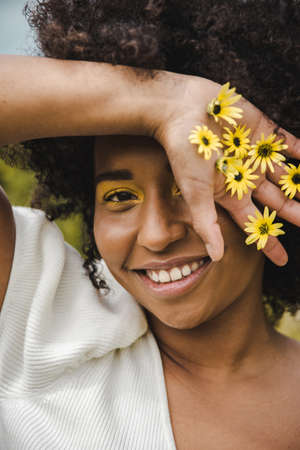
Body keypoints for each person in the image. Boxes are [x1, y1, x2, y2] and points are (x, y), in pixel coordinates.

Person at [0, 0, 299, 448]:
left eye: (190, 185)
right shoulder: (38, 319)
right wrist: (166, 101)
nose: (158, 234)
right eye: (120, 197)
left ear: (271, 185)